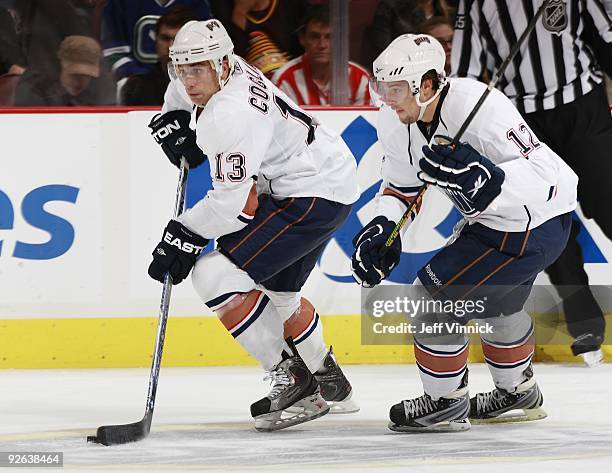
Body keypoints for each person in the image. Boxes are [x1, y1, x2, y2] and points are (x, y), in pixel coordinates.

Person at [351, 34, 578, 431]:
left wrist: (492, 180)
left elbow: (554, 178)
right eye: (382, 87)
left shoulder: (480, 107)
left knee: (434, 297)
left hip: (529, 225)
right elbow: (402, 185)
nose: (387, 97)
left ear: (427, 84)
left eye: (397, 88)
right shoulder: (395, 117)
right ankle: (517, 391)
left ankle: (443, 402)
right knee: (498, 306)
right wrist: (383, 225)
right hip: (499, 226)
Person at [147, 19, 360, 431]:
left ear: (223, 64)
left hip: (310, 192)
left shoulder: (230, 115)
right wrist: (172, 117)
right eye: (182, 68)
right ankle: (331, 383)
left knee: (212, 274)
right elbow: (182, 87)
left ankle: (295, 381)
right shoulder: (224, 68)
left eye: (198, 69)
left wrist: (183, 233)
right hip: (325, 176)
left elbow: (230, 207)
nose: (189, 80)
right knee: (280, 294)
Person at [451, 0, 611, 367]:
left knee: (608, 205)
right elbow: (466, 70)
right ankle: (584, 323)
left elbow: (605, 35)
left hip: (582, 106)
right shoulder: (477, 4)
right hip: (523, 123)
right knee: (550, 220)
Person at [272, 5, 371, 106]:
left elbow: (366, 121)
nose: (322, 45)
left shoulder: (360, 78)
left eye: (329, 37)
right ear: (302, 39)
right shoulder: (284, 80)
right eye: (314, 37)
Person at [101, 0, 211, 83]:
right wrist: (142, 80)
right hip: (137, 85)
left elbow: (207, 51)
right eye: (165, 39)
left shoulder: (198, 4)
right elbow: (113, 54)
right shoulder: (121, 3)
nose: (171, 47)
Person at [121, 7, 198, 105]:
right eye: (165, 38)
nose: (171, 47)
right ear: (156, 42)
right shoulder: (137, 88)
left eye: (178, 39)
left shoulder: (213, 85)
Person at [14, 34, 115, 105]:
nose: (78, 83)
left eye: (86, 76)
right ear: (60, 65)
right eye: (74, 75)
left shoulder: (98, 94)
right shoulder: (35, 90)